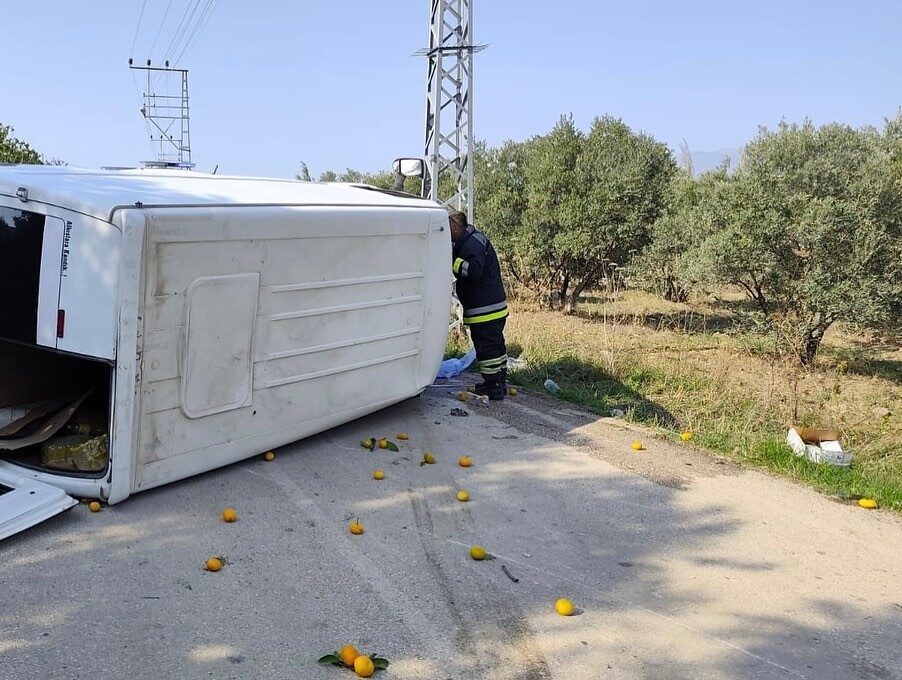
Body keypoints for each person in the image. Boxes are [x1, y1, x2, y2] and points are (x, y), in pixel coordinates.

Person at [449, 210, 509, 400]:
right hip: (493, 306)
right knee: (496, 347)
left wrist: (451, 263)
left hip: (485, 309)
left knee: (487, 349)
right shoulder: (474, 239)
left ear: (456, 226)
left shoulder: (471, 243)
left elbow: (474, 270)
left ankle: (493, 388)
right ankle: (499, 382)